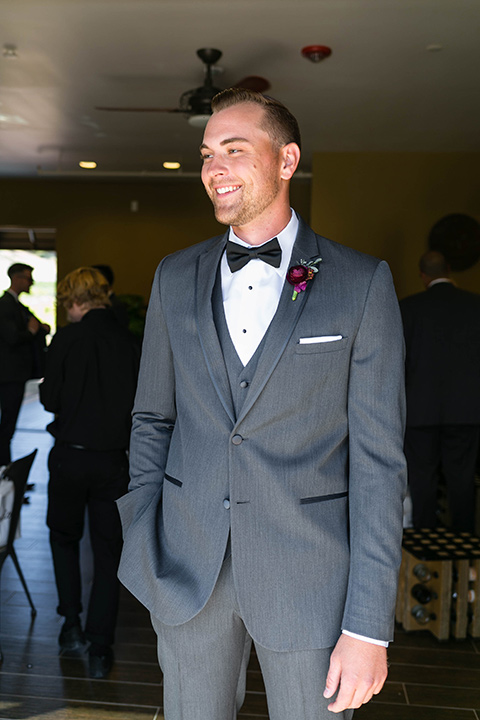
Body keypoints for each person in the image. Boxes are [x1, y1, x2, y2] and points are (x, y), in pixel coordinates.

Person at [117, 89, 406, 719]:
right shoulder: (174, 276)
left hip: (311, 583)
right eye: (206, 154)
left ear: (286, 160)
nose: (214, 168)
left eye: (234, 150)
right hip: (187, 577)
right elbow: (152, 419)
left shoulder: (361, 283)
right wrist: (145, 534)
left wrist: (368, 625)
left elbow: (380, 465)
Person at [40, 267, 139, 678]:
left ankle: (70, 625)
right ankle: (101, 647)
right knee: (107, 553)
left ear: (75, 301)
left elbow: (48, 399)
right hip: (113, 461)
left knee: (64, 540)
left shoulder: (67, 338)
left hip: (69, 457)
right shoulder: (130, 341)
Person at [400, 250, 480, 533]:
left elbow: (398, 362)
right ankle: (465, 552)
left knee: (422, 480)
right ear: (450, 269)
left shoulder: (408, 308)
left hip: (420, 410)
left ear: (423, 276)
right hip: (466, 409)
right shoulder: (474, 306)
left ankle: (426, 546)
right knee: (462, 480)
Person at [0, 263, 50, 466]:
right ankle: (6, 474)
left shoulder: (17, 305)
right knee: (7, 425)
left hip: (13, 374)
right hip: (9, 374)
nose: (31, 283)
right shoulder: (6, 304)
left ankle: (7, 470)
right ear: (17, 278)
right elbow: (11, 337)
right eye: (29, 278)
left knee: (8, 425)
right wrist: (31, 331)